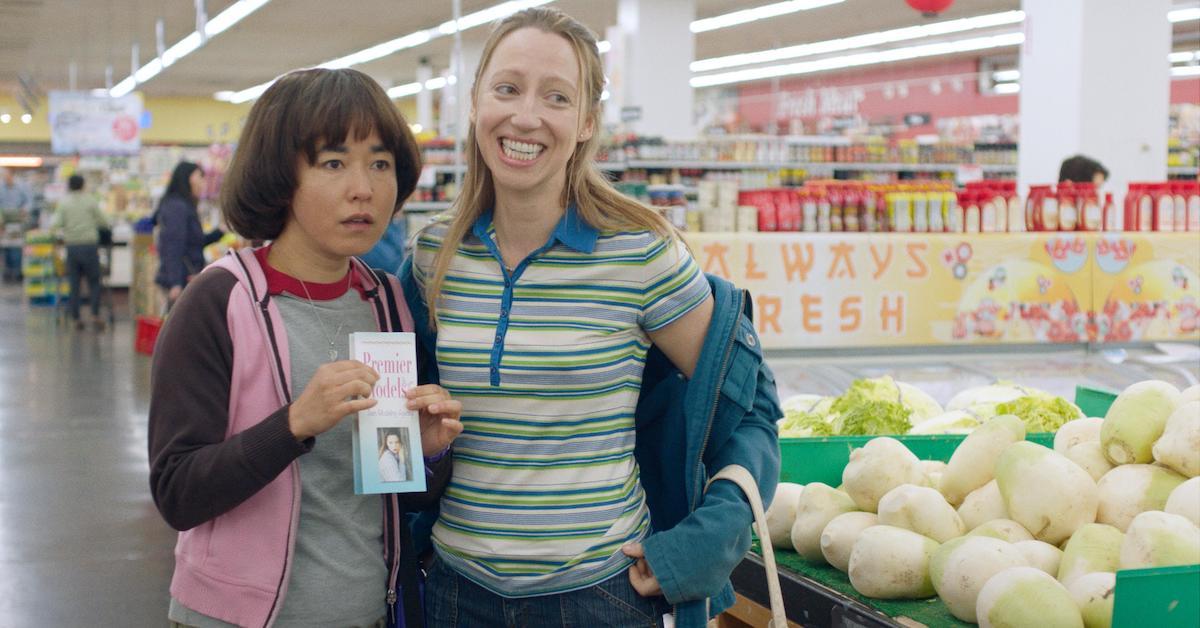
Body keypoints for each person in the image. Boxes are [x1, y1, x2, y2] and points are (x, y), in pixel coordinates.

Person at [400, 8, 781, 628]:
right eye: (507, 88)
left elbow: (752, 407)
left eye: (556, 97)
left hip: (598, 598)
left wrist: (706, 541)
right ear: (474, 105)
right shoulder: (431, 257)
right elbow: (405, 433)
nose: (526, 116)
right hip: (453, 593)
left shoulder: (643, 252)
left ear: (585, 124)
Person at [147, 67, 464, 628]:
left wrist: (427, 453)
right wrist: (293, 424)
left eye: (381, 163)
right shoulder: (218, 301)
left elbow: (391, 491)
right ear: (280, 176)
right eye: (334, 163)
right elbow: (177, 492)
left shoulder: (387, 300)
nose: (363, 187)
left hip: (370, 611)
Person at [153, 161, 224, 309]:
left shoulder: (184, 205)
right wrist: (175, 283)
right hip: (181, 281)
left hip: (187, 277)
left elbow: (195, 242)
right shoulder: (177, 206)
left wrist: (219, 232)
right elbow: (173, 245)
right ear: (189, 178)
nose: (203, 183)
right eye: (200, 177)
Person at [51, 174, 109, 330]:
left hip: (72, 247)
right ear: (83, 185)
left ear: (69, 186)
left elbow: (56, 224)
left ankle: (76, 317)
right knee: (94, 281)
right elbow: (104, 222)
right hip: (90, 247)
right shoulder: (90, 201)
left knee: (74, 283)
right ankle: (95, 314)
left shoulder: (64, 203)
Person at [1, 167, 33, 282]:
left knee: (17, 248)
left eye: (7, 176)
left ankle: (18, 272)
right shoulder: (1, 187)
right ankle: (8, 273)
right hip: (4, 222)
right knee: (6, 248)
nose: (5, 179)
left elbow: (29, 201)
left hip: (19, 221)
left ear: (12, 175)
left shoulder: (22, 186)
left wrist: (25, 210)